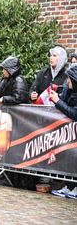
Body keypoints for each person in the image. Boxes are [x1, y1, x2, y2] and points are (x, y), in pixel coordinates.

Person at [49, 64, 77, 199]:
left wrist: (58, 101)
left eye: (70, 79)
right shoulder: (70, 89)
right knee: (70, 160)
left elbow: (74, 113)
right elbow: (64, 101)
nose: (67, 81)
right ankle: (69, 186)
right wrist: (59, 96)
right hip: (71, 133)